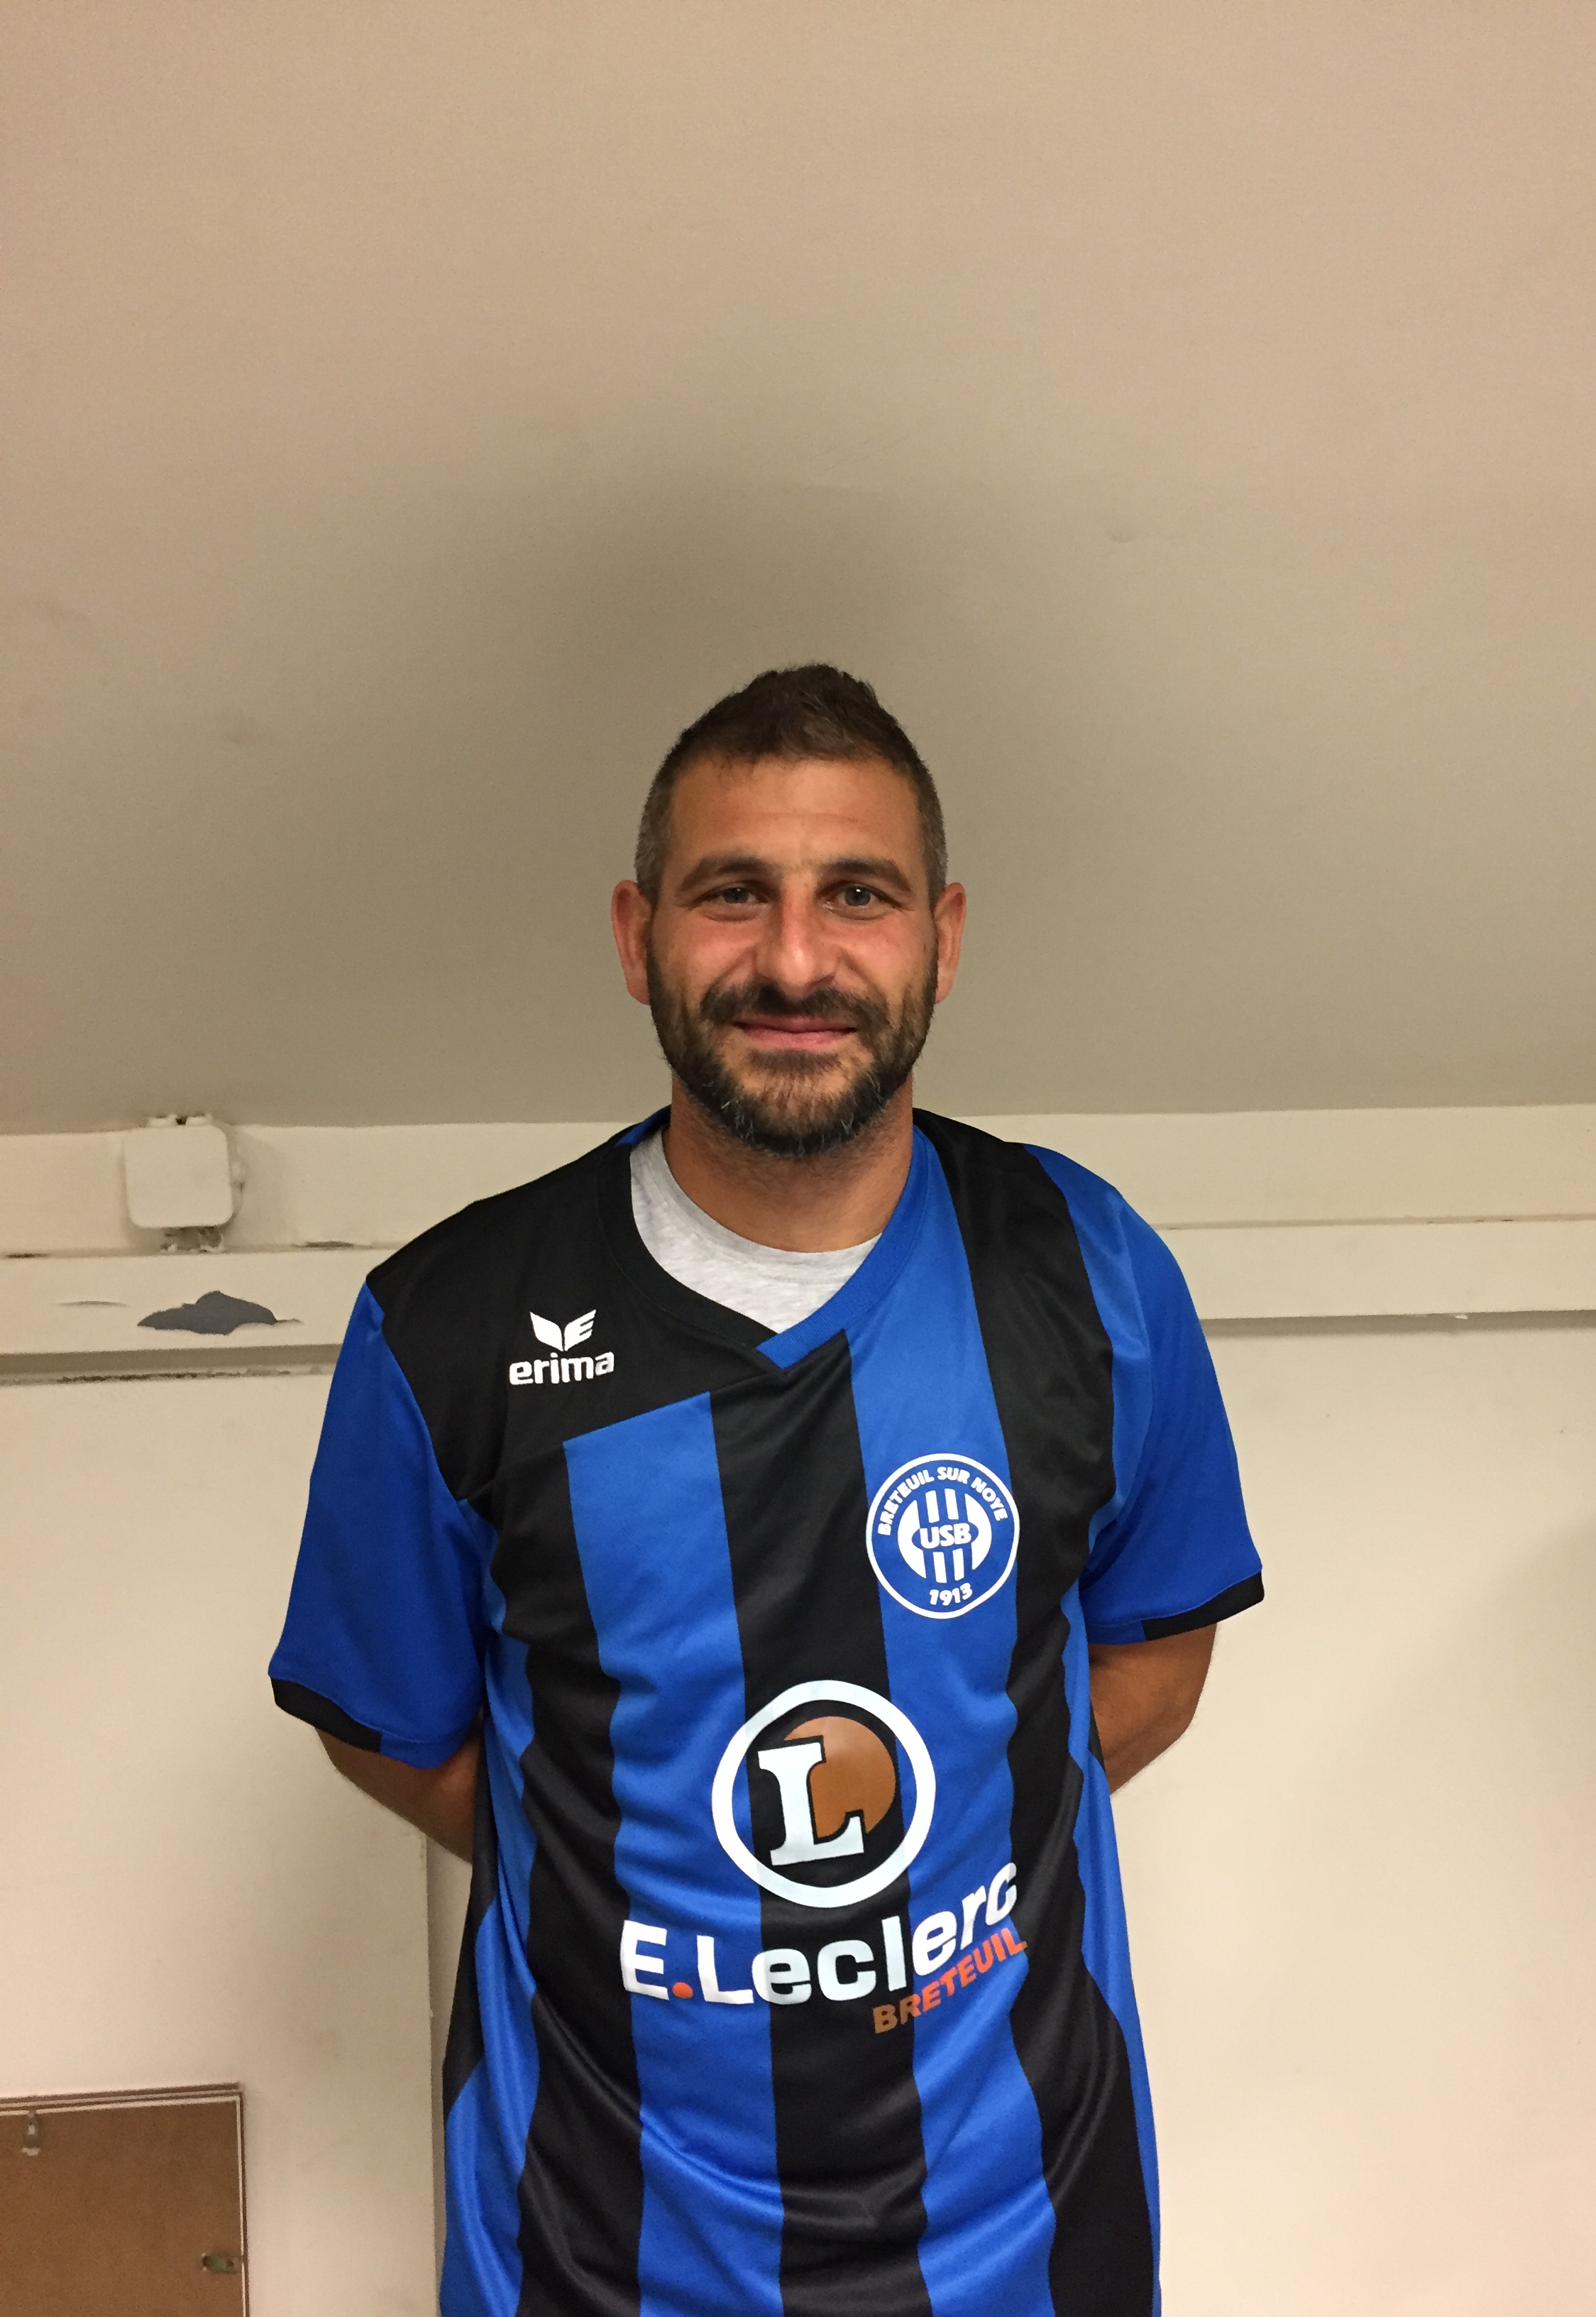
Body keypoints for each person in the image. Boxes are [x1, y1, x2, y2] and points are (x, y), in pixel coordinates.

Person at [270, 664, 1262, 2317]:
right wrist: (638, 1863)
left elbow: (1153, 1659)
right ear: (636, 934)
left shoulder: (1091, 1273)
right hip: (594, 2248)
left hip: (1029, 2234)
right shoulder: (448, 1324)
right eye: (734, 893)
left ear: (942, 937)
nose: (796, 962)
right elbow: (395, 1732)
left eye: (856, 895)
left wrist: (958, 1831)